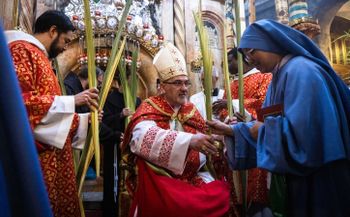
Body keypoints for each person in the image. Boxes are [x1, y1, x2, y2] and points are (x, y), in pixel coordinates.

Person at [207, 19, 350, 217]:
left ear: (269, 42)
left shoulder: (301, 71)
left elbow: (308, 137)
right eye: (245, 55)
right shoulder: (279, 75)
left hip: (319, 177)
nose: (249, 60)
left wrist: (263, 131)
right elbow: (268, 124)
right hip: (299, 177)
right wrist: (232, 131)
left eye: (252, 51)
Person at [6, 10, 100, 217]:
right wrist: (73, 100)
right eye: (65, 40)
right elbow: (20, 106)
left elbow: (49, 116)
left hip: (50, 159)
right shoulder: (21, 50)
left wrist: (84, 121)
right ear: (53, 31)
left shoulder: (39, 56)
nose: (66, 47)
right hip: (34, 161)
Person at [121, 42, 230, 217]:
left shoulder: (191, 111)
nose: (184, 88)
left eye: (186, 83)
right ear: (162, 86)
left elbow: (208, 143)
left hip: (193, 177)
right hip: (161, 181)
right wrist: (189, 141)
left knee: (223, 195)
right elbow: (142, 138)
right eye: (177, 83)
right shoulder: (150, 108)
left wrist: (223, 136)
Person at [213, 48, 272, 217]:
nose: (226, 65)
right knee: (237, 192)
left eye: (230, 61)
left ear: (243, 59)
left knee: (256, 193)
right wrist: (227, 117)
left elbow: (262, 103)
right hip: (234, 142)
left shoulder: (263, 76)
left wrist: (233, 104)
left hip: (255, 140)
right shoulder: (231, 84)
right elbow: (223, 111)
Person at [99, 74, 141, 217]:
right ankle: (112, 209)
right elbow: (102, 122)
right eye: (128, 81)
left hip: (133, 149)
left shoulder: (138, 100)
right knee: (114, 180)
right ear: (121, 82)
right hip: (115, 146)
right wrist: (120, 115)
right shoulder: (109, 99)